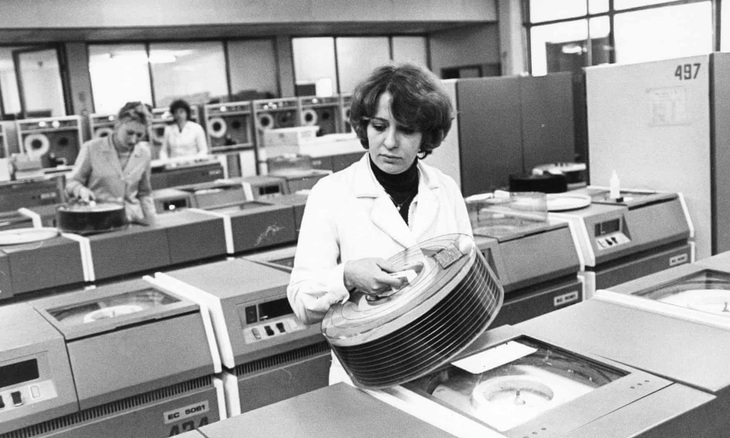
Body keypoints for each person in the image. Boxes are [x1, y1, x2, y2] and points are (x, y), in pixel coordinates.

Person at [287, 62, 473, 384]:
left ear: (426, 136)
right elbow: (302, 301)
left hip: (441, 366)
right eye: (379, 126)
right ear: (364, 127)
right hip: (367, 377)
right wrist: (347, 276)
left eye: (406, 129)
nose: (389, 142)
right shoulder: (331, 194)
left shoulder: (444, 189)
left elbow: (465, 277)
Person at [65, 101, 156, 225]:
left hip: (133, 220)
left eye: (139, 135)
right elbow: (72, 183)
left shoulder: (144, 153)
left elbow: (145, 192)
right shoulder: (92, 148)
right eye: (129, 133)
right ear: (117, 125)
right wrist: (81, 190)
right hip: (99, 220)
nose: (133, 140)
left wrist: (152, 221)